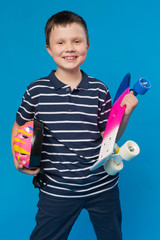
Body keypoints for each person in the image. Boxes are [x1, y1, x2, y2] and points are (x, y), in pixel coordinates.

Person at [11, 10, 138, 240]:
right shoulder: (36, 90)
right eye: (60, 42)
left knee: (112, 236)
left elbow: (109, 136)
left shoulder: (99, 90)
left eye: (76, 41)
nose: (69, 48)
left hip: (102, 186)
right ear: (49, 49)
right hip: (56, 190)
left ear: (87, 45)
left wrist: (125, 115)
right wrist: (17, 157)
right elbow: (20, 125)